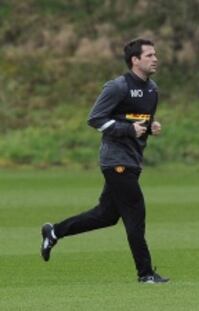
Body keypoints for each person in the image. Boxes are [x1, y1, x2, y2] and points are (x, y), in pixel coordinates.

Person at [40, 38, 169, 284]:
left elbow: (136, 122)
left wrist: (151, 127)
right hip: (115, 160)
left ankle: (54, 231)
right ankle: (146, 274)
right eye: (150, 55)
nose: (155, 59)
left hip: (133, 160)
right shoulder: (117, 87)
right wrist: (129, 130)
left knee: (106, 216)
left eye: (155, 55)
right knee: (135, 213)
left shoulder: (153, 90)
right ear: (135, 60)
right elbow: (95, 119)